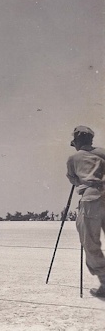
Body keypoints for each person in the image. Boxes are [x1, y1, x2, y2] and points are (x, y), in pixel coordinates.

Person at [66, 126, 105, 298]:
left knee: (90, 242)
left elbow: (73, 179)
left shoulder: (73, 158)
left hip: (91, 200)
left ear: (77, 141)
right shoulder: (103, 152)